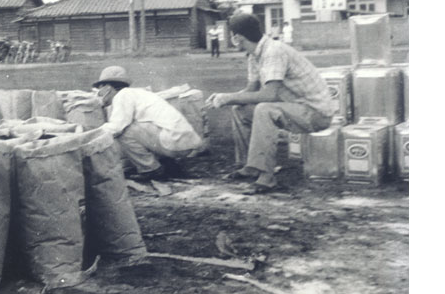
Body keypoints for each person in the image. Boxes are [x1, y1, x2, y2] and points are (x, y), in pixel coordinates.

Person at [206, 13, 334, 193]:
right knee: (240, 109)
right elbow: (251, 90)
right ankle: (250, 166)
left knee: (265, 110)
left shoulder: (273, 51)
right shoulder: (254, 55)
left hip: (317, 114)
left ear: (238, 37)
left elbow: (269, 94)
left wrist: (227, 98)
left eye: (232, 34)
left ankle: (267, 178)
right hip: (297, 107)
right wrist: (226, 97)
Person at [93, 66, 201, 182]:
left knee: (125, 132)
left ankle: (151, 169)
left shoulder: (122, 95)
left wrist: (92, 135)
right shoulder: (137, 93)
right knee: (139, 126)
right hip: (184, 142)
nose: (99, 95)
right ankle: (168, 165)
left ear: (108, 88)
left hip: (173, 142)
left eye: (100, 90)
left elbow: (117, 127)